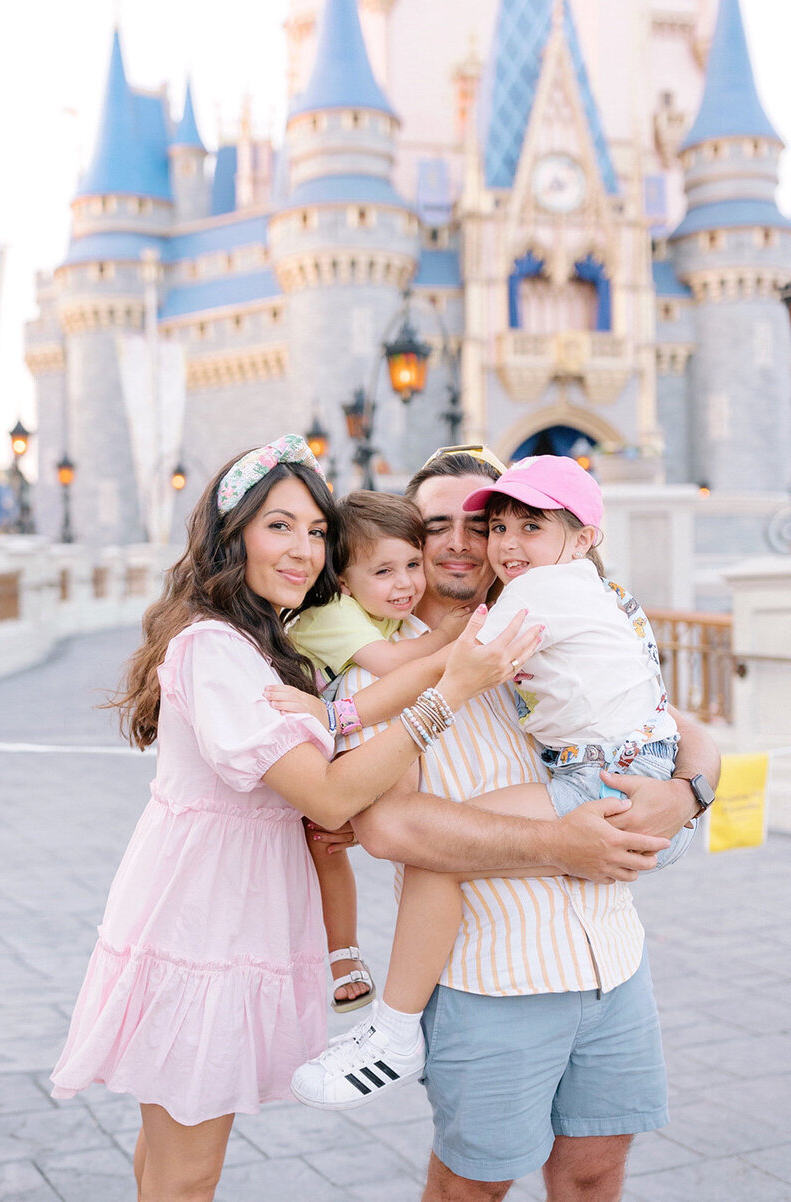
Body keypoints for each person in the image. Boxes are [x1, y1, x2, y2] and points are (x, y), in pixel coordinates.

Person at [48, 434, 542, 1202]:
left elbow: (333, 767)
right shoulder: (214, 647)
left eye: (316, 532)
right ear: (231, 533)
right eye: (278, 526)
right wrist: (449, 692)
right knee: (187, 1174)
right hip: (202, 924)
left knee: (165, 1157)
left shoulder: (268, 643)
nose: (303, 550)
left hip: (228, 912)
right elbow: (328, 794)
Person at [291, 447, 720, 1202]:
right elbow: (392, 829)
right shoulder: (374, 675)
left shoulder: (558, 629)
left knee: (595, 1174)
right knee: (472, 1188)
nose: (464, 541)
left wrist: (689, 793)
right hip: (493, 981)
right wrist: (563, 843)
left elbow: (678, 729)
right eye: (436, 525)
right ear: (406, 538)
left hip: (613, 965)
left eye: (482, 523)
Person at [288, 490, 469, 1012]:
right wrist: (451, 638)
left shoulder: (382, 610)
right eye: (384, 571)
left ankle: (351, 954)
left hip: (336, 744)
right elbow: (392, 664)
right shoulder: (332, 612)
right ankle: (343, 954)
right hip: (307, 752)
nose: (406, 583)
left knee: (329, 846)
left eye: (413, 564)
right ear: (343, 580)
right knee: (325, 848)